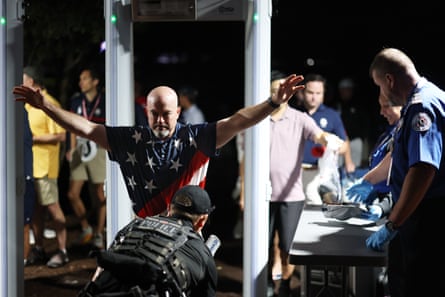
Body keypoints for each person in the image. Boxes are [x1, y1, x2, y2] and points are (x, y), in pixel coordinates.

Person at [13, 74, 304, 219]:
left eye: (168, 113)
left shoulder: (197, 136)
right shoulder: (131, 139)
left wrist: (273, 103)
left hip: (187, 234)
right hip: (146, 229)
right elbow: (86, 128)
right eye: (155, 113)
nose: (161, 119)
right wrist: (47, 107)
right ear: (146, 110)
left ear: (178, 112)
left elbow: (238, 121)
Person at [345, 47, 445, 297]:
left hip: (427, 218)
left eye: (380, 85)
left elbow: (422, 169)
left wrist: (393, 223)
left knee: (417, 286)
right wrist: (368, 181)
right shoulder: (419, 100)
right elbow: (401, 154)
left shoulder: (422, 107)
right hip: (417, 214)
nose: (382, 93)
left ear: (389, 79)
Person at [266, 70, 343, 297]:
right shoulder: (259, 119)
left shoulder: (299, 119)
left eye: (283, 90)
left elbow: (319, 136)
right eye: (274, 90)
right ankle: (268, 283)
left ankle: (287, 285)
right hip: (263, 194)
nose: (279, 94)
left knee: (289, 246)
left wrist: (329, 141)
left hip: (292, 194)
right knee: (265, 245)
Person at [78, 185, 218, 297]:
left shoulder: (134, 225)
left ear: (169, 209)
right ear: (202, 220)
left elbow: (100, 270)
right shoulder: (203, 253)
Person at [22, 66, 69, 268]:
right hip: (30, 166)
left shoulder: (49, 103)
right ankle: (39, 248)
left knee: (53, 208)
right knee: (35, 212)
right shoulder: (27, 105)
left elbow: (62, 135)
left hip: (45, 167)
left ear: (32, 82)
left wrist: (35, 138)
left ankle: (63, 251)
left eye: (23, 79)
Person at [297, 73, 356, 205]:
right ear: (302, 92)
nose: (314, 97)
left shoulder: (332, 115)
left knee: (320, 207)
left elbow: (344, 143)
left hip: (322, 173)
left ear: (324, 93)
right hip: (295, 173)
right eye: (310, 92)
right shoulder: (294, 114)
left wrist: (331, 147)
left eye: (318, 93)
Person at [66, 68, 107, 249]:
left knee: (99, 194)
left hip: (98, 148)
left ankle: (99, 232)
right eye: (80, 79)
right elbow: (72, 126)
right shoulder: (76, 101)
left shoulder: (105, 100)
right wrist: (71, 148)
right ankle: (86, 228)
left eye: (84, 79)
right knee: (72, 194)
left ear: (95, 81)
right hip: (80, 148)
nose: (80, 82)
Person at [335, 77, 371, 168]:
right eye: (342, 90)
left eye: (347, 90)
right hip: (339, 141)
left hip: (355, 140)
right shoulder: (336, 105)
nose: (344, 92)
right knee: (337, 166)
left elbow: (365, 122)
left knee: (354, 166)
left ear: (351, 90)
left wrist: (362, 137)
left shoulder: (359, 105)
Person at [23, 108, 36, 266]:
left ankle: (23, 260)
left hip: (24, 175)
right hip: (21, 175)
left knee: (24, 224)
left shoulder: (20, 111)